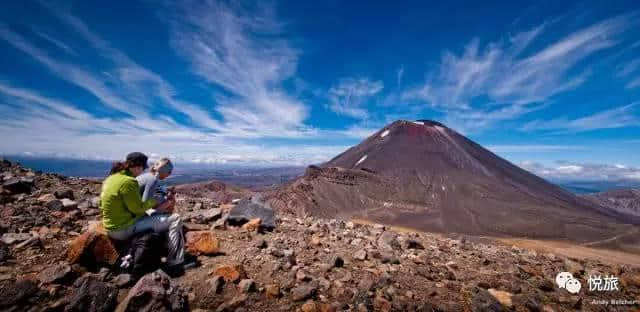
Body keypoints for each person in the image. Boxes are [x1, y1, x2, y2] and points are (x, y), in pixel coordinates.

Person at [99, 152, 185, 270]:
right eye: (169, 172)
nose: (169, 175)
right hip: (123, 228)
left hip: (111, 225)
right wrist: (162, 203)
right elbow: (142, 208)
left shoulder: (113, 177)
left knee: (161, 211)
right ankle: (176, 262)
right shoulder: (146, 180)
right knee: (175, 219)